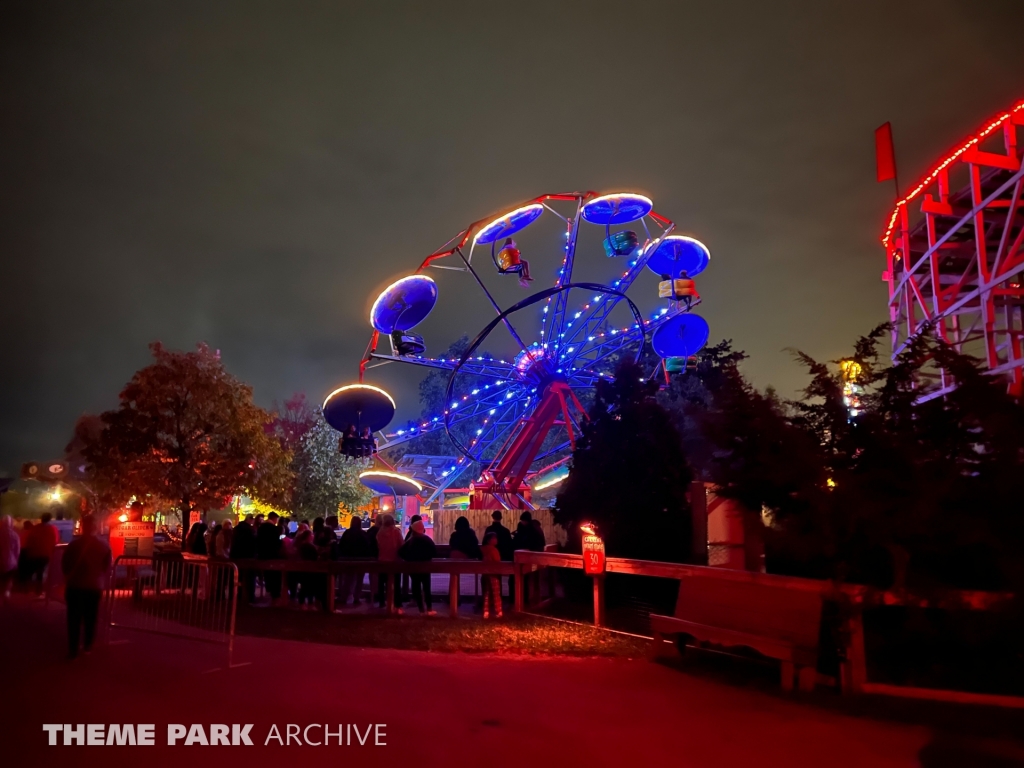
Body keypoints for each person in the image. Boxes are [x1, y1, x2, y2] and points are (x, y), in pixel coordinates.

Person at [61, 515, 111, 658]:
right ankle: (88, 645)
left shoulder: (74, 545)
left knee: (73, 618)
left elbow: (66, 564)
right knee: (91, 617)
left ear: (83, 526)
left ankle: (73, 648)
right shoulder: (104, 546)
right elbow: (106, 566)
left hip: (75, 585)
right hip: (94, 586)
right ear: (96, 527)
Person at [399, 519, 437, 615]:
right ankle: (429, 608)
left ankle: (421, 609)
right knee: (427, 587)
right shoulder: (427, 540)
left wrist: (409, 559)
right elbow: (434, 552)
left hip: (414, 568)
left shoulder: (410, 541)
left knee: (416, 587)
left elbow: (401, 552)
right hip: (426, 567)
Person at [337, 516, 372, 605]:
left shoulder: (347, 533)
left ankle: (344, 597)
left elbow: (342, 546)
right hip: (361, 560)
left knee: (348, 579)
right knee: (359, 580)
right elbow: (367, 547)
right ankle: (356, 598)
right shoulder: (363, 534)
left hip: (348, 559)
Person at [22, 513, 60, 595]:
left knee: (32, 570)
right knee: (41, 572)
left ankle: (27, 588)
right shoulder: (53, 529)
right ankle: (38, 590)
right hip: (46, 553)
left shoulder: (35, 528)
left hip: (34, 553)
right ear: (50, 519)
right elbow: (55, 541)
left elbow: (29, 540)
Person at [375, 514, 404, 610]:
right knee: (396, 583)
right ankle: (397, 603)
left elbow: (378, 545)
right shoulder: (396, 532)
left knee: (382, 582)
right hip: (394, 560)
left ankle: (382, 602)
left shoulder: (380, 532)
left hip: (382, 560)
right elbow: (401, 544)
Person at [256, 512, 283, 601]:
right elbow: (277, 543)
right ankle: (275, 595)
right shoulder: (273, 529)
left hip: (262, 555)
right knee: (275, 575)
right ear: (274, 518)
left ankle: (269, 590)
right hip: (272, 555)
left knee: (267, 574)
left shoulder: (261, 528)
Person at [229, 515, 257, 602]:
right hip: (247, 556)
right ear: (249, 519)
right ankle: (249, 597)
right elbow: (252, 543)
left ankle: (234, 596)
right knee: (249, 578)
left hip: (236, 555)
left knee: (236, 577)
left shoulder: (237, 529)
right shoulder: (249, 530)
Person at [480, 532, 503, 619]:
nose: (496, 540)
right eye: (494, 538)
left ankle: (486, 611)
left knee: (486, 592)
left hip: (485, 574)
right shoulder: (494, 550)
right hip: (494, 574)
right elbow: (497, 561)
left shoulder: (482, 549)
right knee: (496, 593)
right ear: (489, 540)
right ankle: (498, 611)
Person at [0, 515, 20, 602]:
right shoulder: (15, 535)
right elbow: (17, 550)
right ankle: (6, 593)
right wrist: (16, 561)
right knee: (9, 578)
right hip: (11, 562)